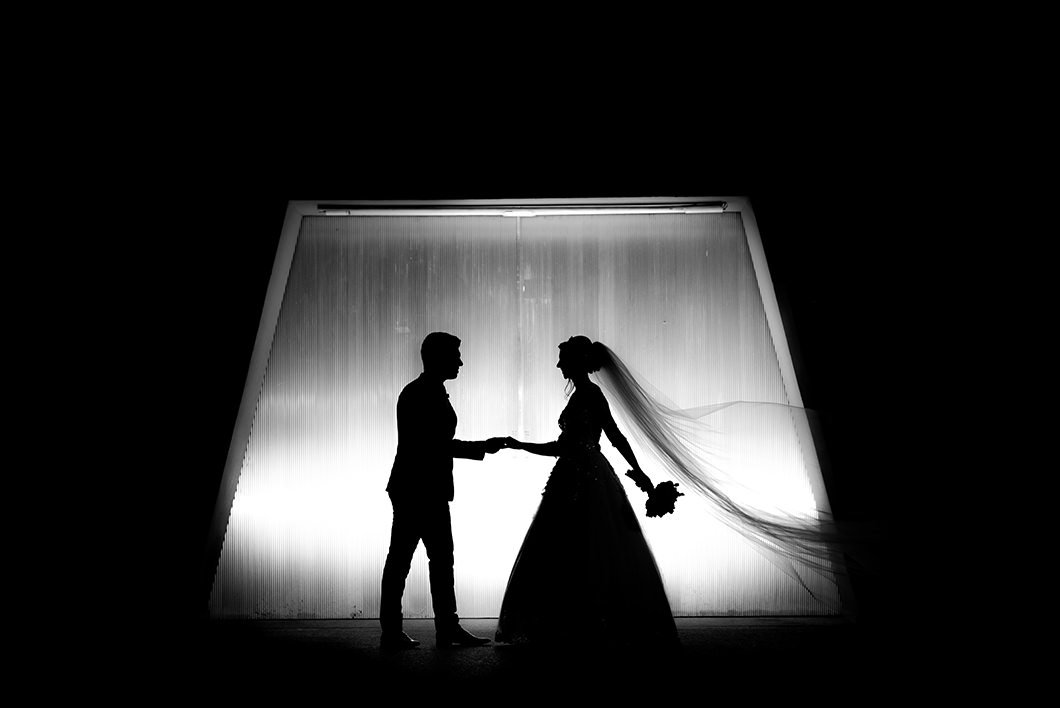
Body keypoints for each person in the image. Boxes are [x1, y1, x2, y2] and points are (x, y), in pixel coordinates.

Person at [495, 336, 682, 647]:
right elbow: (585, 442)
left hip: (583, 476)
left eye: (563, 359)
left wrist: (641, 474)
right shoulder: (584, 395)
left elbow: (611, 437)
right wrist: (521, 445)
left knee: (575, 544)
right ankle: (579, 622)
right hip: (581, 473)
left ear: (576, 362)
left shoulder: (591, 395)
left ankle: (580, 623)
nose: (558, 365)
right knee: (582, 545)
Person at [379, 332, 508, 650]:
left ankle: (406, 630)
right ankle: (435, 629)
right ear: (438, 358)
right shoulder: (422, 393)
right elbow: (434, 445)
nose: (460, 362)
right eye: (455, 356)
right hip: (420, 489)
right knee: (417, 560)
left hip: (417, 487)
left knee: (416, 560)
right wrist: (482, 446)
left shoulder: (423, 391)